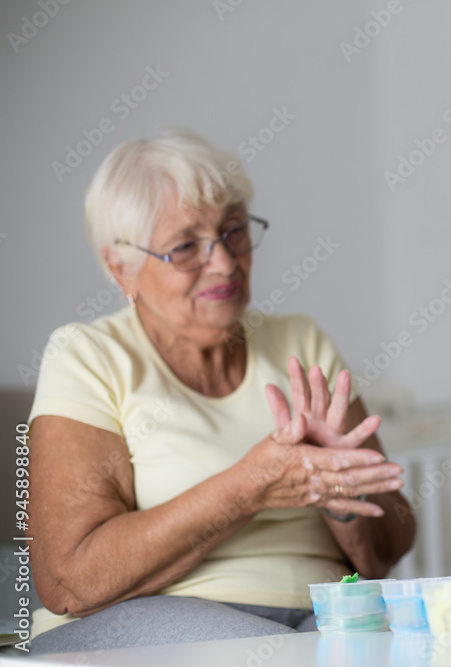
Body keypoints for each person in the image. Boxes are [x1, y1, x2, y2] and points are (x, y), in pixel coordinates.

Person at [26, 128, 416, 653]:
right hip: (148, 622)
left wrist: (342, 493)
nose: (225, 263)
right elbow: (67, 580)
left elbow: (391, 544)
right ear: (123, 268)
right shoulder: (87, 357)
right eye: (186, 246)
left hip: (325, 613)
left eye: (233, 231)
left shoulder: (300, 341)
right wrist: (248, 486)